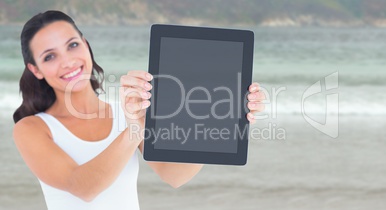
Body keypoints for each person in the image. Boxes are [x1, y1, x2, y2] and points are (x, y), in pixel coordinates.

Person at [12, 10, 266, 210]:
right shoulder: (33, 128)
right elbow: (83, 187)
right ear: (35, 70)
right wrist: (133, 129)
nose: (67, 61)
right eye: (49, 57)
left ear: (86, 44)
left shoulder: (126, 113)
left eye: (72, 45)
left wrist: (224, 117)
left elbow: (174, 175)